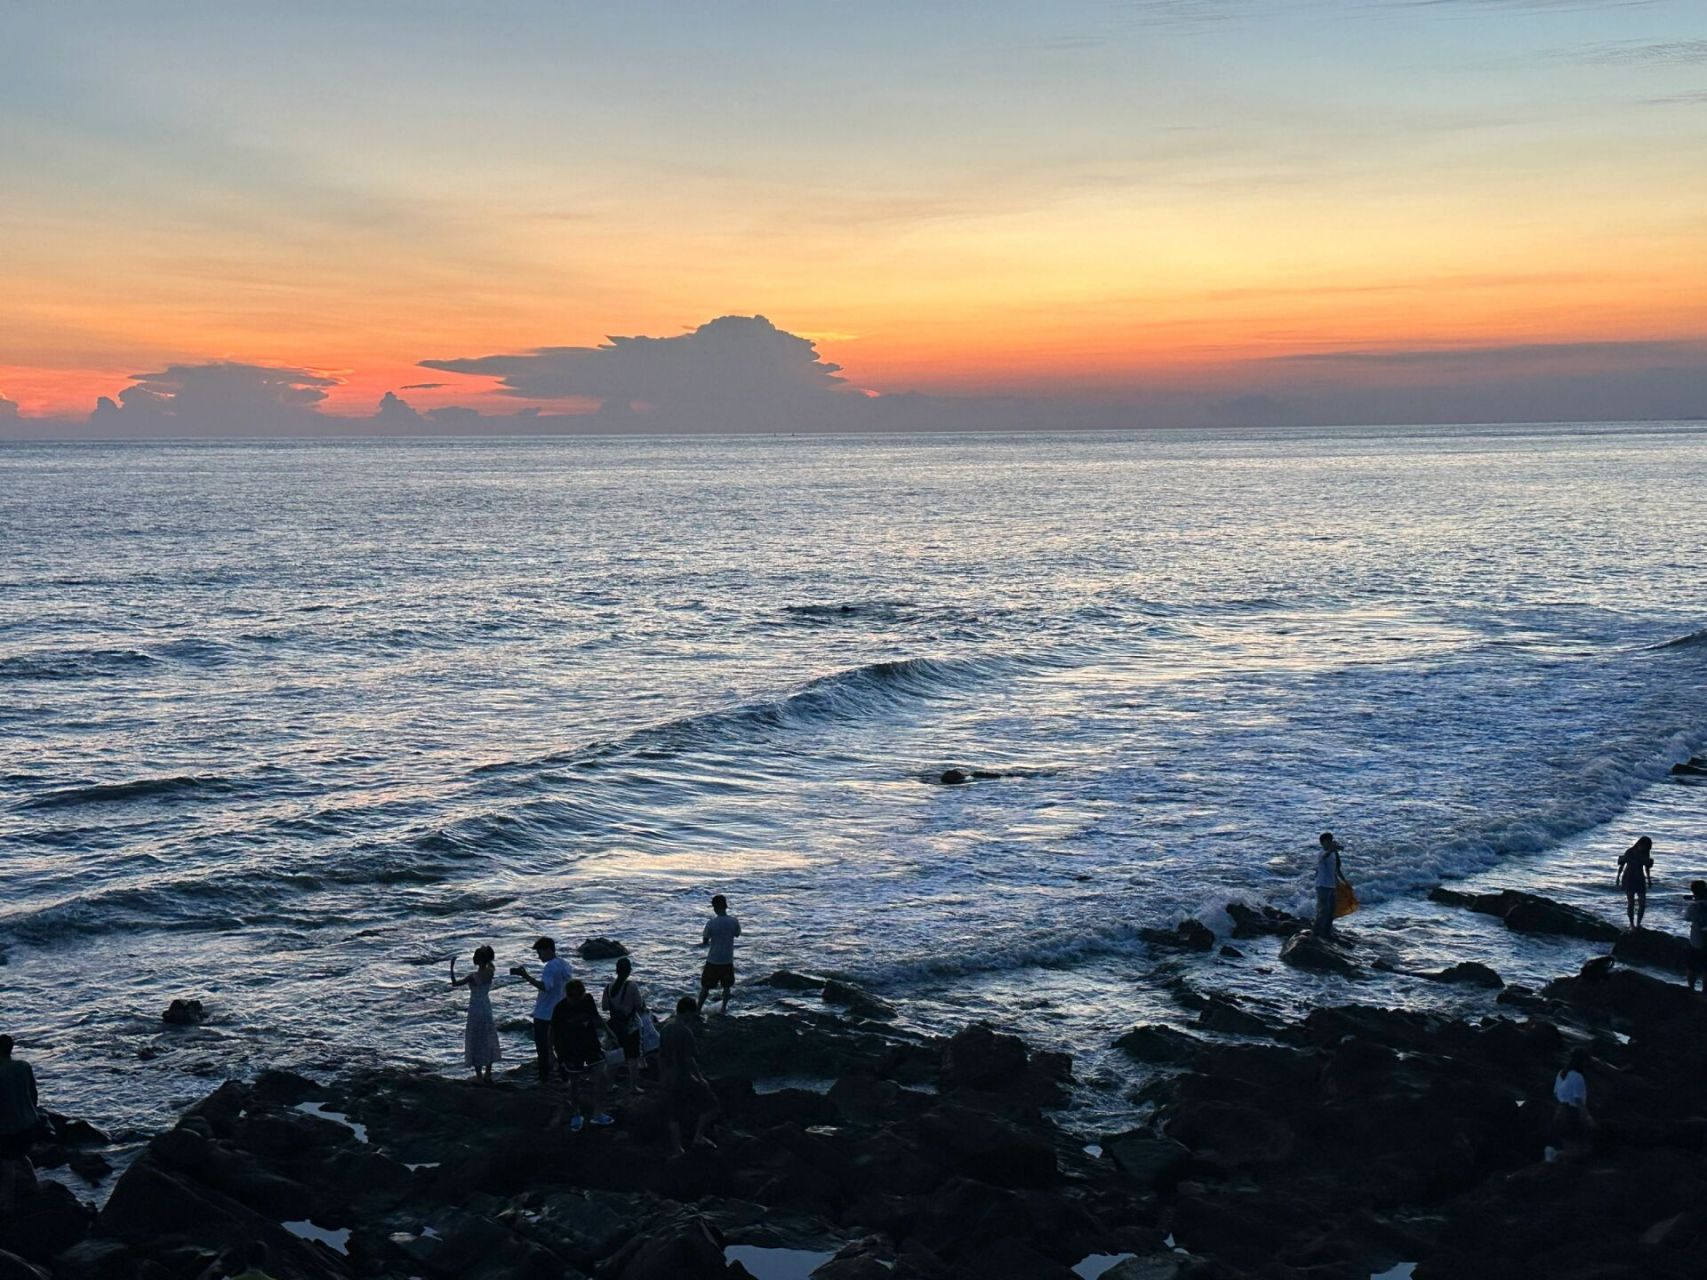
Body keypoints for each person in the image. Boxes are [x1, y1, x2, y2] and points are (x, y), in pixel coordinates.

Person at [551, 980, 615, 1131]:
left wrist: (610, 1033)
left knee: (601, 1077)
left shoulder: (588, 999)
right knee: (574, 1083)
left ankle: (598, 1113)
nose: (577, 1001)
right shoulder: (560, 1009)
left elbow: (596, 1017)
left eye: (580, 997)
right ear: (568, 996)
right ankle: (576, 1114)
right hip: (570, 1049)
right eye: (574, 998)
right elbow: (553, 1032)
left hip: (591, 1044)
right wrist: (552, 1054)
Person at [659, 996, 718, 1155]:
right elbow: (689, 1059)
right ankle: (698, 1137)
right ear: (686, 1012)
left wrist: (662, 1076)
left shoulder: (665, 1029)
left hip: (669, 1077)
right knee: (711, 1106)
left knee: (674, 1116)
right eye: (693, 1013)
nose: (693, 1016)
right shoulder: (685, 1031)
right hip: (684, 1077)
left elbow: (661, 1056)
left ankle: (678, 1149)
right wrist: (700, 1078)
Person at [513, 937, 573, 1083]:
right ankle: (565, 1075)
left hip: (544, 1013)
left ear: (548, 950)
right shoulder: (564, 964)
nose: (539, 956)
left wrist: (526, 976)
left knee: (543, 1048)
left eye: (540, 952)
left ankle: (544, 1078)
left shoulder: (550, 967)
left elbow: (545, 986)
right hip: (559, 1012)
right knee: (560, 1046)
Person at [0, 1035, 42, 1212]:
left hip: (8, 1128)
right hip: (29, 1123)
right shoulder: (24, 1066)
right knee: (21, 1155)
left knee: (5, 1162)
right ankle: (35, 1187)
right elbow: (33, 1095)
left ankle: (7, 1203)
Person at [451, 945, 500, 1083]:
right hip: (486, 1007)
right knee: (488, 1037)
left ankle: (479, 1075)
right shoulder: (491, 972)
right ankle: (488, 1073)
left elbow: (455, 983)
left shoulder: (473, 977)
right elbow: (490, 964)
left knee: (475, 1039)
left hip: (475, 1009)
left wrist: (452, 967)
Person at [602, 956, 650, 1092]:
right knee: (633, 1058)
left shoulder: (608, 987)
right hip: (631, 1026)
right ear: (629, 971)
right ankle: (633, 1086)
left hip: (614, 1027)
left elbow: (605, 1007)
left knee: (615, 1057)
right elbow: (638, 1005)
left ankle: (609, 1085)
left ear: (616, 970)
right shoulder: (632, 986)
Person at [698, 894, 742, 1013]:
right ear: (725, 906)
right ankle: (723, 1008)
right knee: (726, 987)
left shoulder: (711, 923)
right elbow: (737, 934)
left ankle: (698, 1009)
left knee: (705, 987)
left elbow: (705, 940)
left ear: (715, 907)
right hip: (727, 959)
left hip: (713, 959)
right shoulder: (734, 921)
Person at [1547, 1048, 1592, 1162]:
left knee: (1566, 1143)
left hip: (1560, 1110)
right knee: (1579, 1150)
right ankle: (1556, 1156)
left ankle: (1553, 1157)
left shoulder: (1561, 1073)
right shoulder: (1577, 1077)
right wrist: (1588, 1118)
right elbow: (1578, 1100)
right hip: (1571, 1114)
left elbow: (1555, 1092)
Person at [1312, 833, 1345, 941]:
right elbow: (1323, 858)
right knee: (1322, 910)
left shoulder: (1334, 854)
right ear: (1322, 843)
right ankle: (1316, 933)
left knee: (1331, 911)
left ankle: (1326, 932)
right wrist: (1331, 850)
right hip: (1322, 885)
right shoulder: (1321, 853)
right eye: (1327, 841)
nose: (1329, 843)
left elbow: (1337, 869)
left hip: (1331, 885)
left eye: (1330, 841)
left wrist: (1344, 881)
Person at [1617, 836, 1654, 930]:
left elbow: (1647, 867)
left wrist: (1649, 879)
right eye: (1645, 846)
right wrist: (1618, 877)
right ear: (1639, 844)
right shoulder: (1630, 851)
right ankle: (1631, 924)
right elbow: (1622, 864)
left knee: (1642, 903)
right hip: (1629, 877)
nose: (1645, 849)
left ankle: (1638, 923)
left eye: (1647, 847)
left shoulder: (1646, 852)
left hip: (1640, 877)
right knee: (1631, 903)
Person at [1685, 881, 1707, 994]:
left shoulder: (1693, 906)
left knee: (1691, 966)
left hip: (1696, 940)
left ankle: (1691, 988)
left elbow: (1687, 917)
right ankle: (1705, 991)